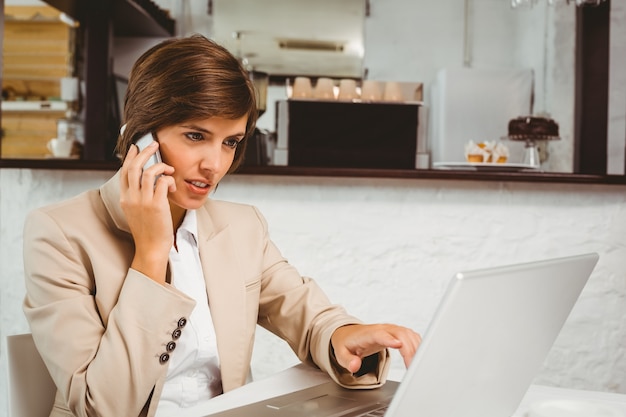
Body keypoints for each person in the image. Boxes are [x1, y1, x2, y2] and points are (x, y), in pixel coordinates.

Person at [22, 34, 421, 417]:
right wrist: (150, 254)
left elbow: (306, 312)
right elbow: (102, 408)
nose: (215, 165)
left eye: (230, 142)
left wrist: (341, 336)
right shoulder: (59, 234)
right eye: (196, 135)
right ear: (140, 137)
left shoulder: (242, 226)